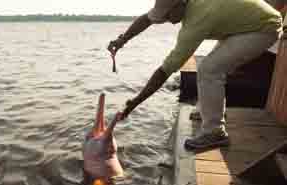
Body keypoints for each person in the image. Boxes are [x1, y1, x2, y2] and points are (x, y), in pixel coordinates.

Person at [109, 0, 283, 151]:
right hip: (245, 25)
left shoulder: (197, 19)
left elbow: (165, 71)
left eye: (168, 16)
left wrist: (134, 103)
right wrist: (122, 40)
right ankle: (208, 112)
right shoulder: (185, 5)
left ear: (180, 5)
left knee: (210, 70)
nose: (168, 21)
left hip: (263, 28)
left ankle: (215, 132)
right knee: (211, 68)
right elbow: (147, 19)